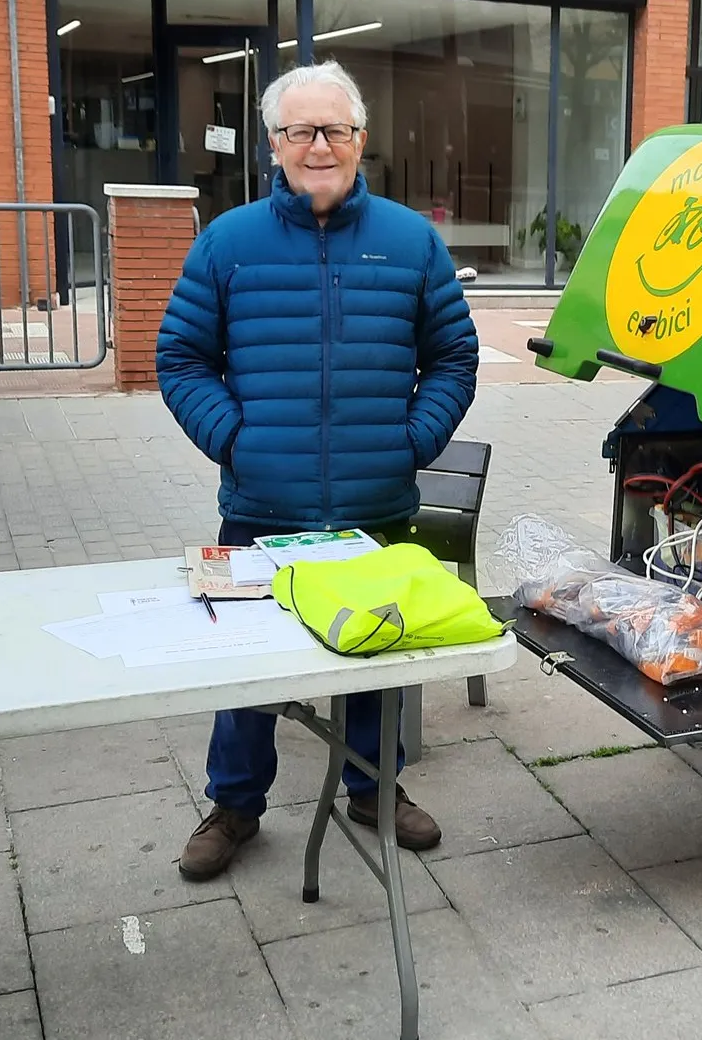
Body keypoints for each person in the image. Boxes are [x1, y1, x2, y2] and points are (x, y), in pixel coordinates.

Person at [156, 60, 479, 880]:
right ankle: (234, 804)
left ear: (361, 139)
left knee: (375, 656)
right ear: (274, 145)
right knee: (248, 667)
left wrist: (412, 442)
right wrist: (236, 439)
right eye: (301, 131)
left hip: (376, 504)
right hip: (260, 505)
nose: (319, 145)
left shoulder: (411, 242)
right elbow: (182, 359)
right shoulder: (228, 243)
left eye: (335, 129)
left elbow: (453, 358)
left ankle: (374, 789)